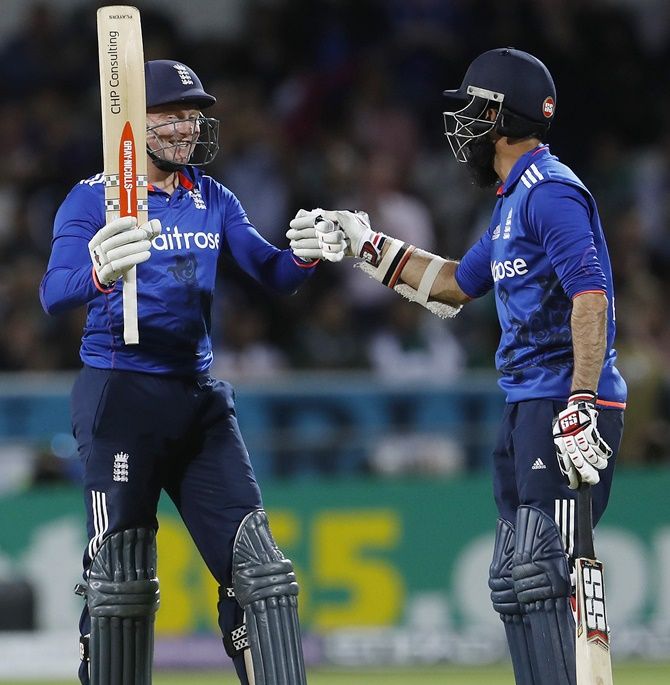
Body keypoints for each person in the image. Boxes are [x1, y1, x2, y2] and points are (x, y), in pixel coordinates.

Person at [291, 47, 627, 685]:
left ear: (503, 116)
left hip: (564, 406)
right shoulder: (511, 201)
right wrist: (364, 244)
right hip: (528, 402)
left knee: (545, 573)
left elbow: (592, 294)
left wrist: (581, 401)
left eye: (473, 110)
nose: (462, 125)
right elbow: (449, 286)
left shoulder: (550, 192)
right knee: (517, 579)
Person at [39, 59, 345, 685]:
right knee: (121, 581)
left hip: (199, 399)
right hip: (120, 397)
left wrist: (307, 255)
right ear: (131, 122)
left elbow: (271, 274)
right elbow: (52, 294)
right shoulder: (94, 198)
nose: (186, 128)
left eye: (193, 115)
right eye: (170, 115)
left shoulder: (212, 196)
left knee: (263, 576)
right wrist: (97, 271)